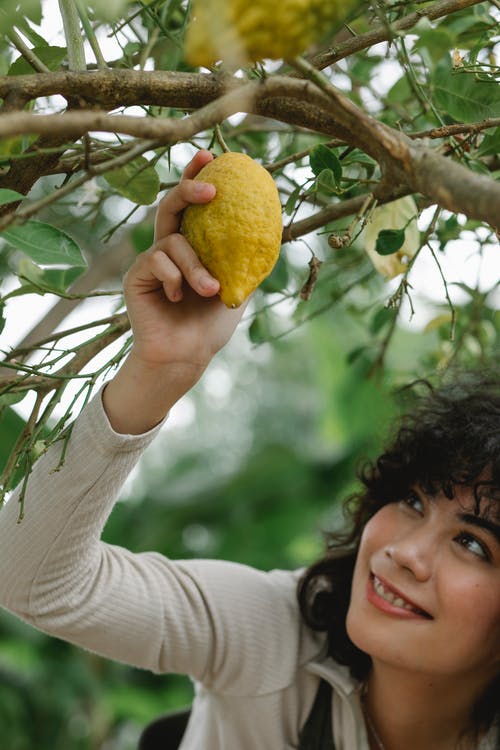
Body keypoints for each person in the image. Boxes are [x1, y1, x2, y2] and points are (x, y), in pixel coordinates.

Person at [0, 148, 498, 750]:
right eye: (413, 502)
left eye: (473, 543)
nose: (406, 554)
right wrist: (160, 370)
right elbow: (30, 580)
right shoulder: (273, 631)